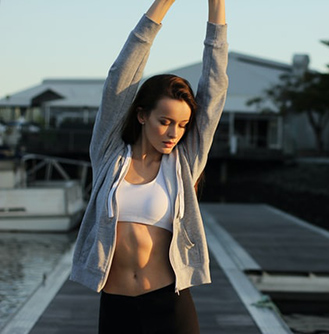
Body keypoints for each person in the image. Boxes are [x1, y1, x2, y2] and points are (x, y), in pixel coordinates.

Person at [69, 0, 228, 332]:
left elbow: (214, 90)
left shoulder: (184, 164)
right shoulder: (109, 155)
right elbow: (119, 79)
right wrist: (163, 5)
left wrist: (216, 8)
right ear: (142, 115)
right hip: (116, 306)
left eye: (182, 125)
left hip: (169, 304)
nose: (174, 133)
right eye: (165, 121)